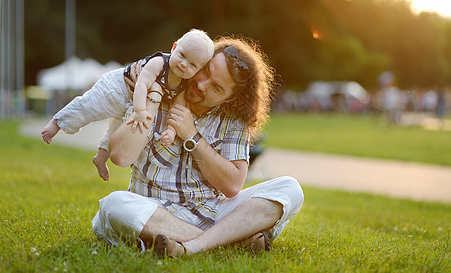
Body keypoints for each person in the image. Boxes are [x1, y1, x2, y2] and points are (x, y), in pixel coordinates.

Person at [91, 35, 304, 257]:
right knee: (114, 205)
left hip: (211, 210)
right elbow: (120, 156)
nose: (201, 85)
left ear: (230, 98)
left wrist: (191, 135)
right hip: (154, 210)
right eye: (206, 71)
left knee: (290, 189)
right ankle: (229, 240)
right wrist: (153, 99)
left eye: (216, 87)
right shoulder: (156, 85)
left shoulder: (234, 118)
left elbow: (232, 185)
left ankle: (191, 246)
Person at [40, 29, 214, 181]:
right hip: (118, 88)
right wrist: (139, 111)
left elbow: (177, 108)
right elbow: (142, 84)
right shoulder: (160, 62)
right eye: (182, 55)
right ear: (174, 48)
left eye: (192, 64)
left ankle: (101, 157)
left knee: (116, 130)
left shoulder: (183, 84)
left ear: (198, 70)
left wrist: (171, 130)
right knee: (89, 106)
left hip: (133, 103)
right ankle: (57, 122)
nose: (184, 64)